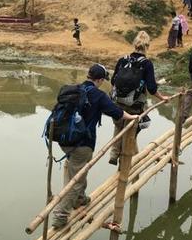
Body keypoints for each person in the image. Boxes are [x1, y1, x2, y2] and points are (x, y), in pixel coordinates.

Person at [52, 64, 138, 229]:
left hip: (64, 140)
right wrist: (133, 117)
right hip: (83, 143)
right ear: (99, 80)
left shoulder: (73, 89)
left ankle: (79, 199)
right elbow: (117, 112)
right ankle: (60, 216)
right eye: (102, 80)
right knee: (75, 180)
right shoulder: (98, 95)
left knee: (75, 170)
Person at [109, 31, 168, 166]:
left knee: (119, 125)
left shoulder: (123, 59)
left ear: (135, 44)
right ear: (147, 46)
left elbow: (113, 81)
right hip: (134, 105)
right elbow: (152, 88)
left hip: (118, 102)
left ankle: (113, 154)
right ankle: (127, 162)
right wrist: (162, 97)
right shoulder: (146, 64)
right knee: (130, 132)